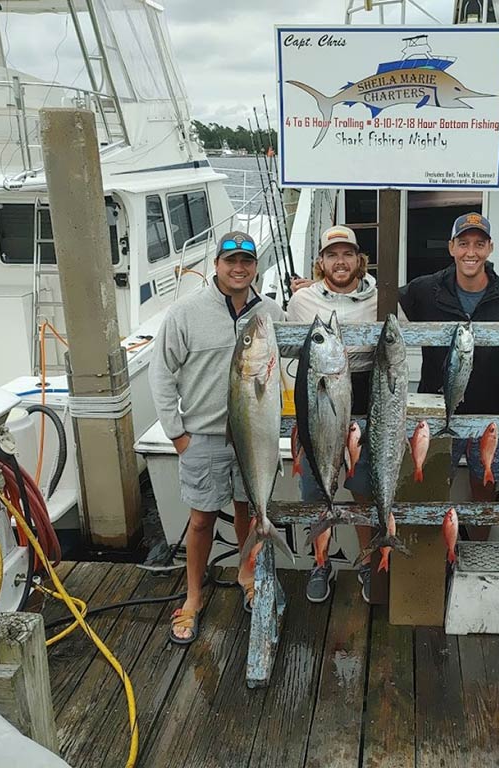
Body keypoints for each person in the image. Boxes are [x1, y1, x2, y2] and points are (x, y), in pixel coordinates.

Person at [150, 231, 285, 644]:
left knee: (248, 509)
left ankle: (246, 574)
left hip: (256, 436)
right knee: (202, 518)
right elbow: (161, 373)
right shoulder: (185, 312)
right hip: (204, 436)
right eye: (231, 261)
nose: (239, 268)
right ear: (217, 265)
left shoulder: (272, 313)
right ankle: (193, 596)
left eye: (246, 260)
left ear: (255, 267)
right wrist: (178, 435)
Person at [399, 213, 499, 527]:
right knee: (428, 487)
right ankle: (431, 567)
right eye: (464, 243)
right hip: (436, 410)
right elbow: (383, 301)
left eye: (479, 244)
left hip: (492, 411)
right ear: (451, 247)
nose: (471, 251)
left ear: (490, 248)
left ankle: (472, 556)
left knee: (484, 489)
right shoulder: (424, 289)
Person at [285, 225, 377, 604]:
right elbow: (289, 349)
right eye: (332, 254)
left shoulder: (380, 297)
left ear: (359, 260)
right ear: (321, 262)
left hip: (363, 392)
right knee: (316, 489)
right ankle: (319, 561)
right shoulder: (301, 302)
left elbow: (402, 340)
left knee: (362, 491)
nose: (340, 261)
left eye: (347, 254)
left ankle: (368, 560)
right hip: (317, 395)